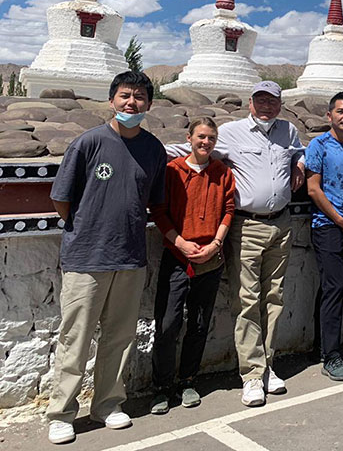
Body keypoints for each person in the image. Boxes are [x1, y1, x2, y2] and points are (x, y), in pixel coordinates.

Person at [166, 79, 306, 407]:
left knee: (274, 298)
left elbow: (300, 151)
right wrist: (144, 149)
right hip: (246, 226)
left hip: (282, 224)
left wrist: (299, 162)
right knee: (247, 300)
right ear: (250, 103)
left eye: (272, 100)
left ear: (280, 103)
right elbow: (192, 149)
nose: (266, 106)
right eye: (261, 100)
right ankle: (252, 375)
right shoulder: (231, 132)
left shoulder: (288, 131)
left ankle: (268, 365)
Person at [46, 71, 167, 445]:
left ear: (148, 104)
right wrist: (87, 229)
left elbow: (153, 201)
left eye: (140, 98)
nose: (132, 104)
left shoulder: (153, 149)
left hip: (130, 257)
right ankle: (62, 413)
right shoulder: (88, 143)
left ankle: (108, 404)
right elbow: (61, 199)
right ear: (112, 99)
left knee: (120, 337)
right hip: (86, 257)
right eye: (126, 96)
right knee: (76, 338)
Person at [150, 117, 235, 414]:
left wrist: (215, 244)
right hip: (177, 256)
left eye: (211, 138)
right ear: (189, 138)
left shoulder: (222, 173)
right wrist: (181, 243)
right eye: (201, 137)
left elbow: (227, 210)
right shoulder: (173, 171)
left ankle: (187, 380)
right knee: (168, 323)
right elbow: (159, 211)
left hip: (210, 258)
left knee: (199, 323)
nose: (206, 142)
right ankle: (162, 386)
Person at [305, 90, 343, 382]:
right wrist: (340, 220)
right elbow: (313, 189)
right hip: (328, 226)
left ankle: (322, 346)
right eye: (341, 111)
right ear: (329, 115)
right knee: (334, 288)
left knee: (334, 287)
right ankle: (331, 356)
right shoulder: (318, 145)